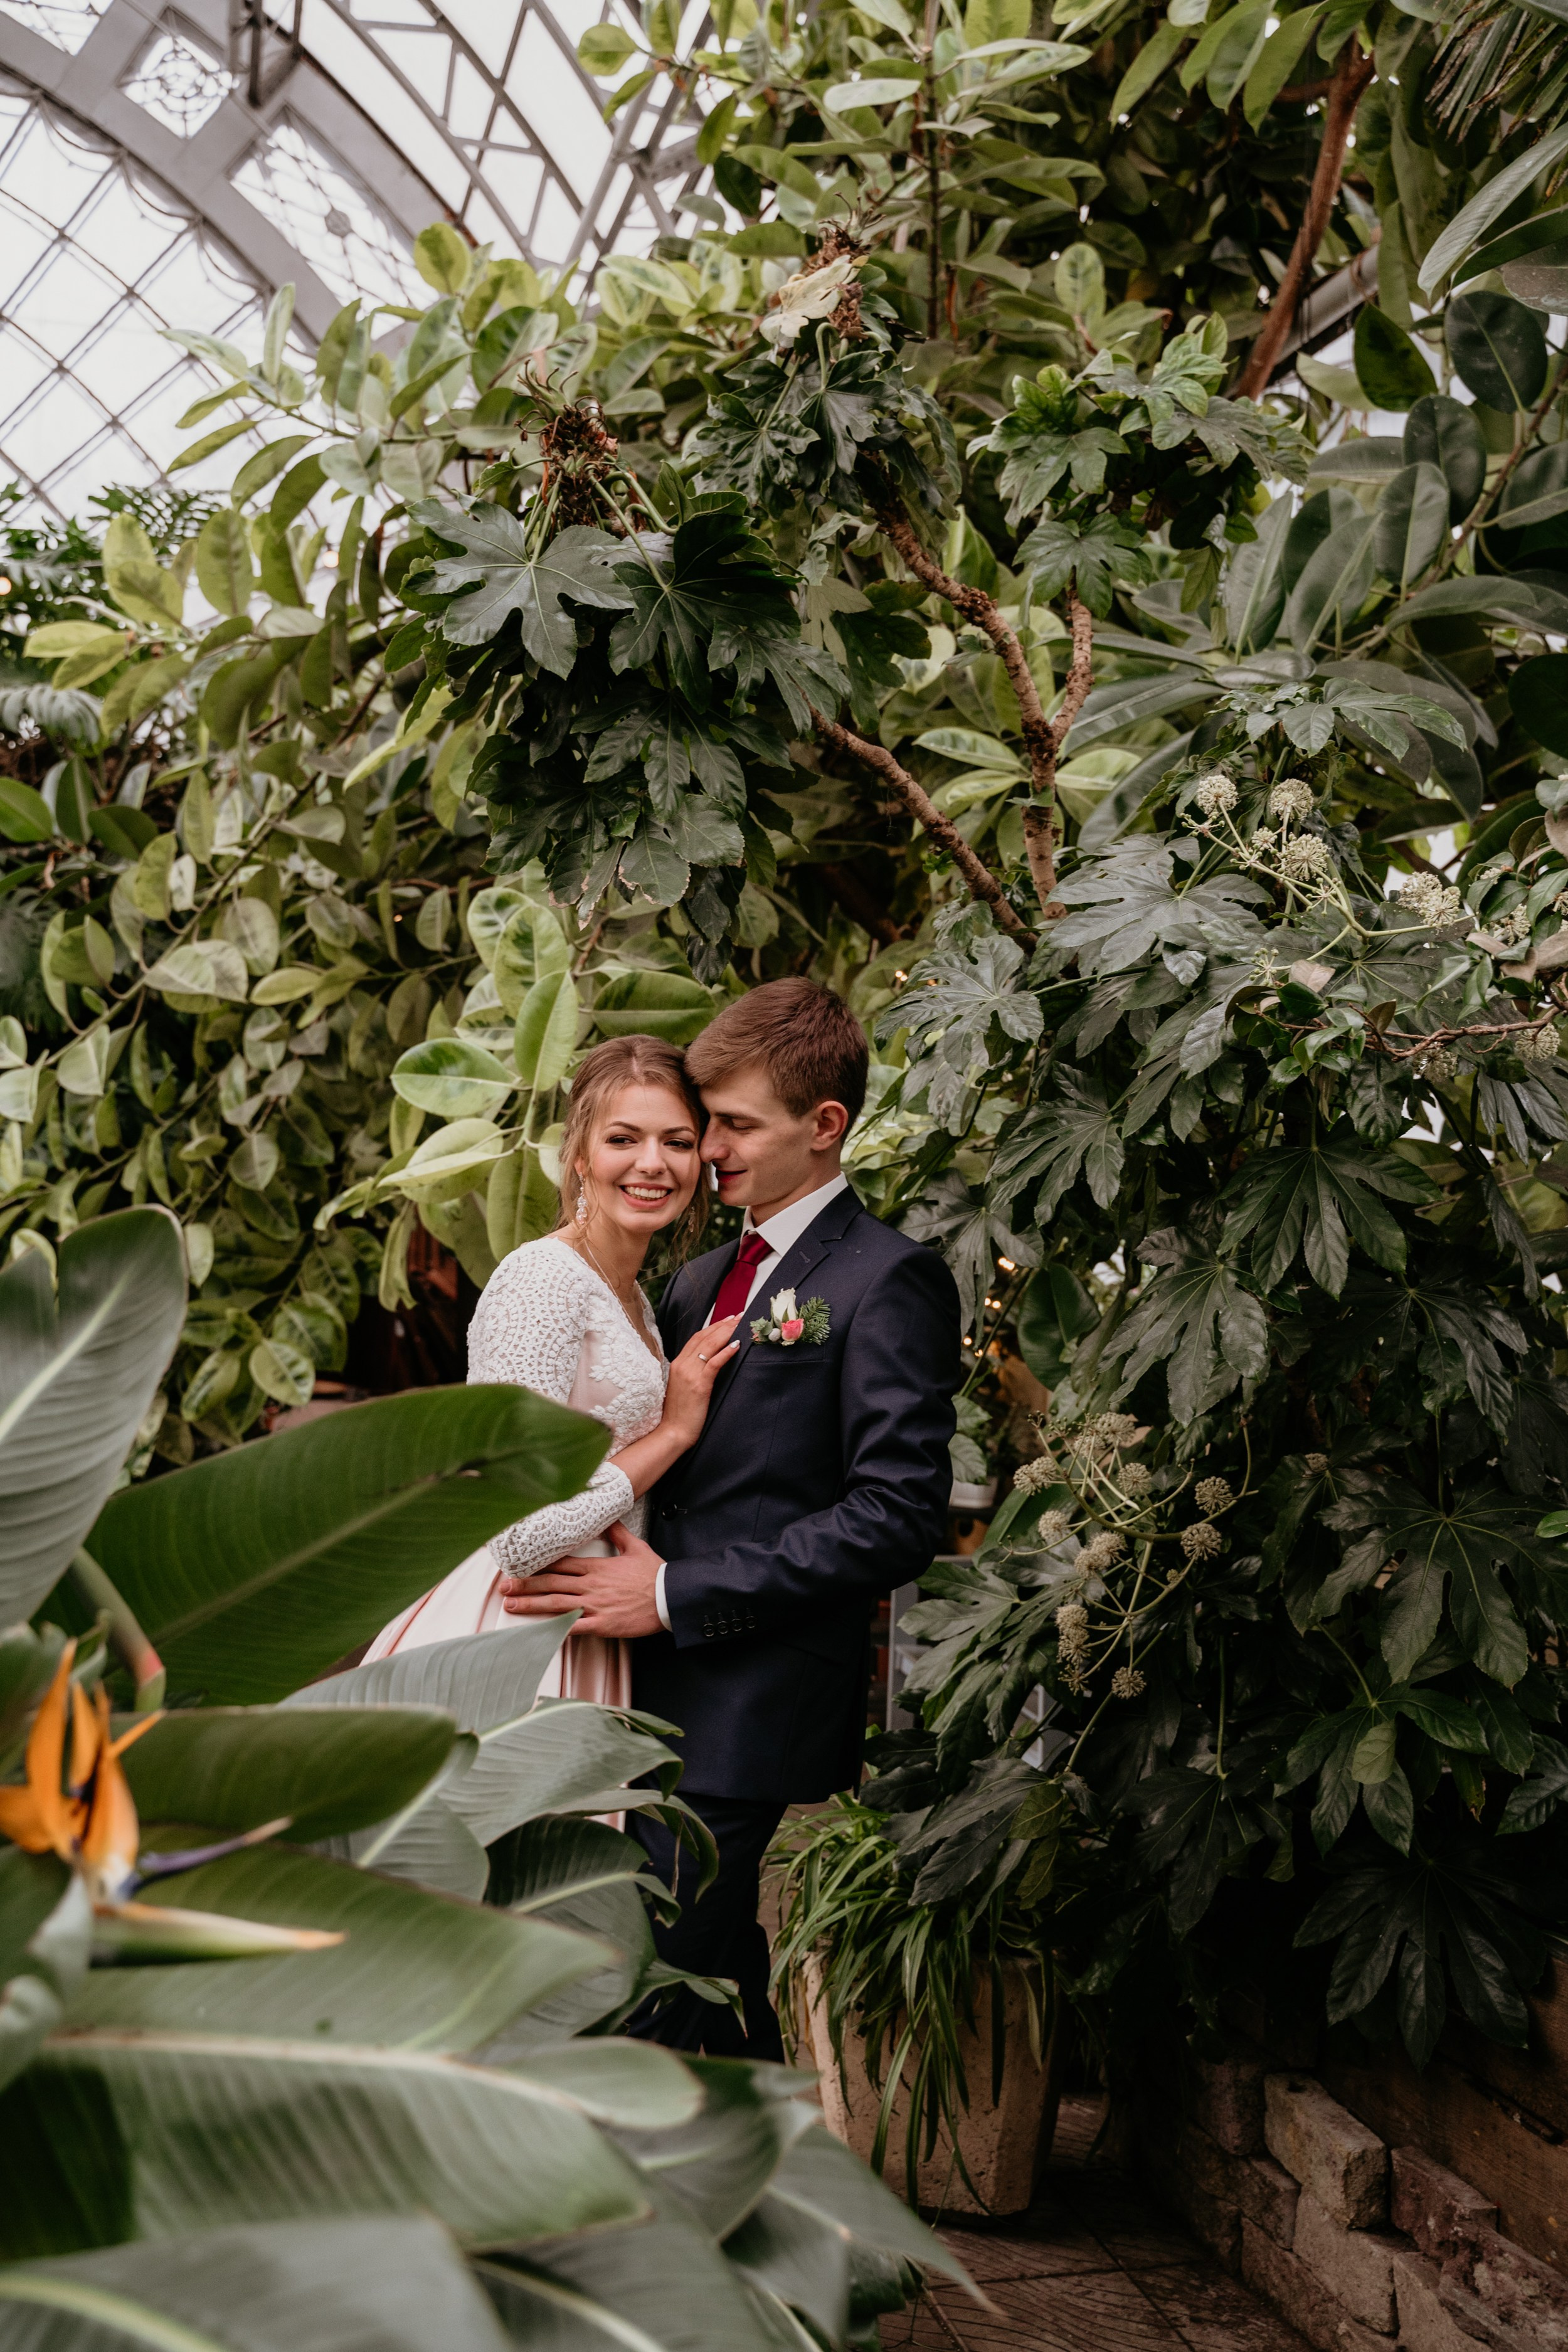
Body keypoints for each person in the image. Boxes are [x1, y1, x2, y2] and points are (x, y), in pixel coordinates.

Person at [498, 978, 962, 2058]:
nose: (708, 1149)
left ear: (826, 1125)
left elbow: (897, 1516)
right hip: (626, 1688)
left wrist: (668, 1591)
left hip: (749, 1696)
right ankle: (788, 2195)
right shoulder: (699, 1276)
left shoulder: (889, 1280)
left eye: (736, 1125)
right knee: (701, 1979)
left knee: (653, 1979)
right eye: (707, 1122)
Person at [363, 1034, 742, 1697]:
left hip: (590, 1628)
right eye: (623, 1139)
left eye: (676, 1142)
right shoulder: (541, 1281)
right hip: (509, 1632)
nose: (652, 1164)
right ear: (578, 1156)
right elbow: (516, 1532)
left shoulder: (637, 1302)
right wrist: (674, 1434)